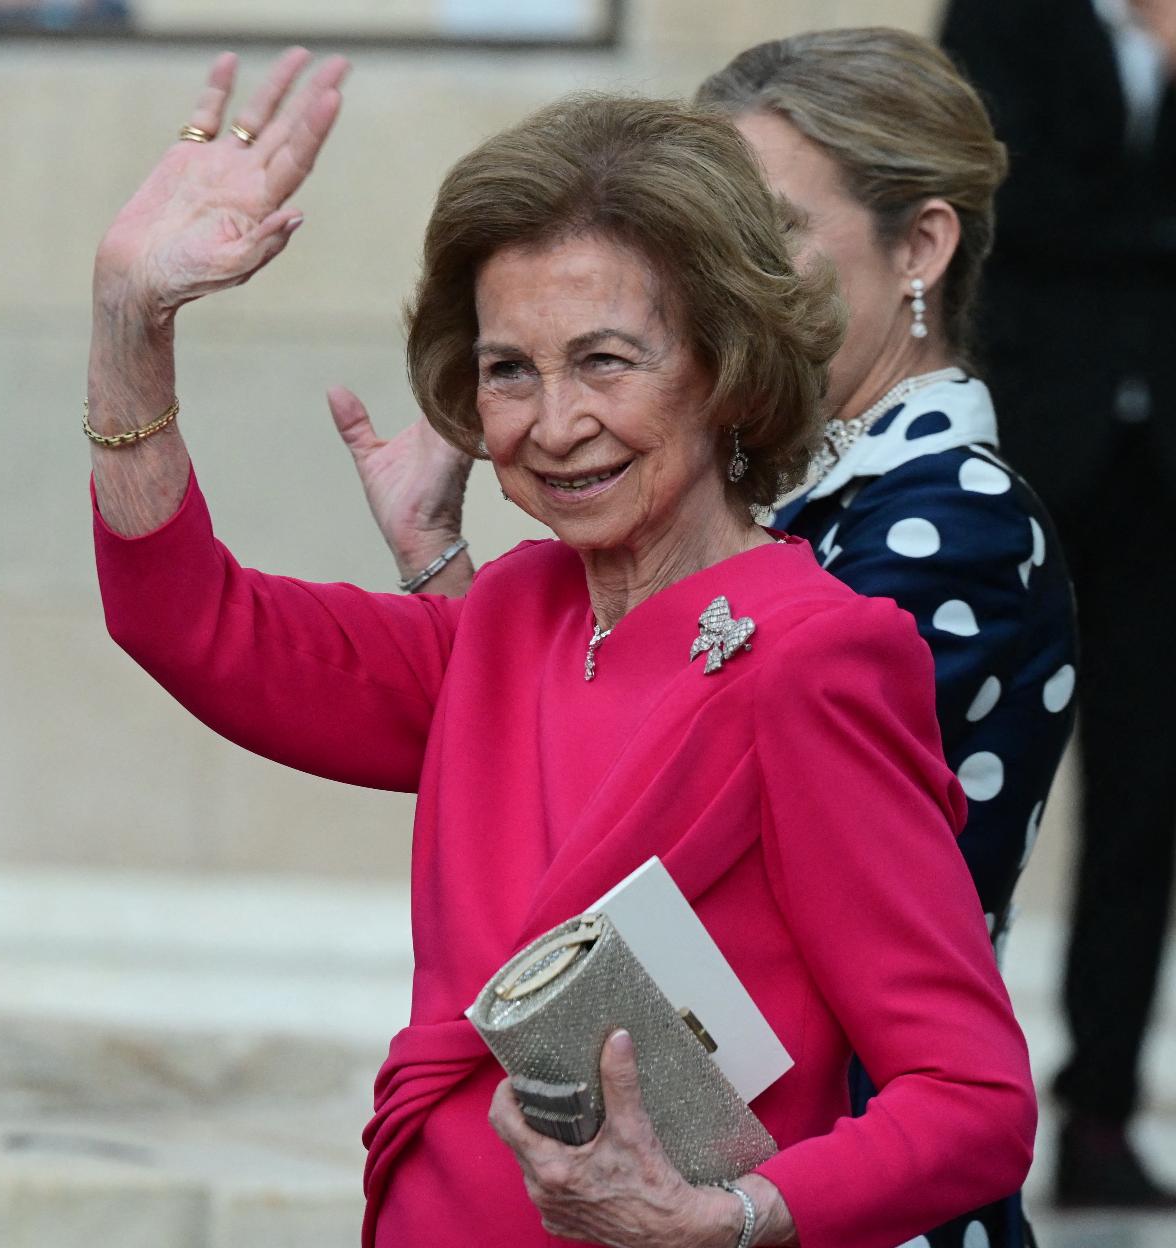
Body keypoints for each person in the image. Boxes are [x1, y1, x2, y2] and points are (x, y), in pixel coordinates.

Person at [87, 50, 1036, 1248]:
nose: (554, 423)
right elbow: (188, 623)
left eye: (604, 360)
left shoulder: (817, 655)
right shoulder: (508, 613)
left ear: (727, 365)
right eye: (507, 373)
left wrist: (725, 1219)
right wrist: (131, 315)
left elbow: (973, 1103)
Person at [337, 29, 1076, 1246]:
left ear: (922, 248)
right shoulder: (767, 498)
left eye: (765, 224)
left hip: (840, 1182)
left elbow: (682, 791)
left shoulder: (955, 521)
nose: (716, 260)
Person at [941, 0, 1176, 1210]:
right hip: (1033, 453)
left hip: (1158, 482)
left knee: (1146, 804)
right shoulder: (1003, 15)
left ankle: (1098, 1116)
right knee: (959, 783)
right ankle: (930, 1097)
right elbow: (1002, 203)